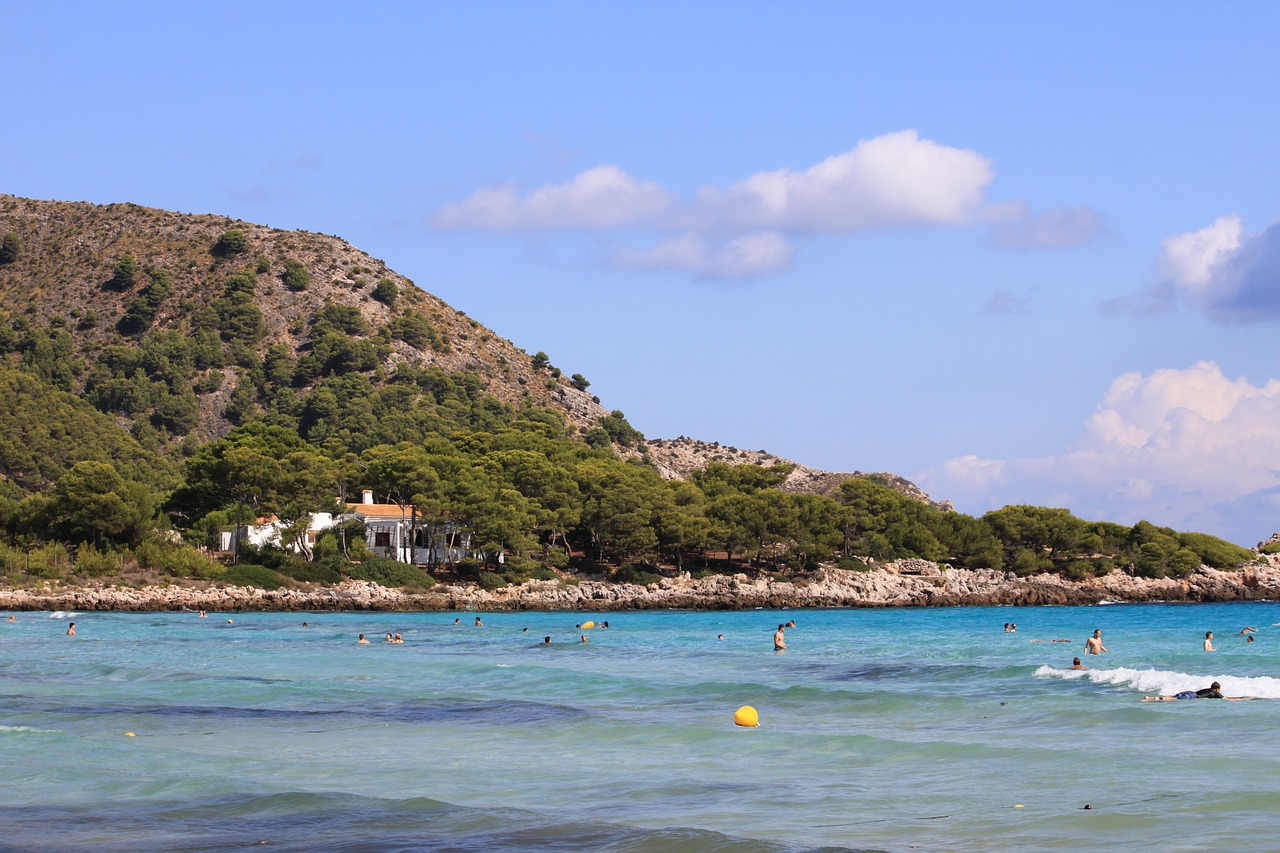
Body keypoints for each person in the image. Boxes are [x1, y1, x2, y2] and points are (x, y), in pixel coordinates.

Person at [1143, 682, 1251, 701]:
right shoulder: (1215, 693)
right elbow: (1227, 699)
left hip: (1190, 692)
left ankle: (1150, 697)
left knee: (1174, 696)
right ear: (1217, 689)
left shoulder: (1208, 690)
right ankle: (1154, 699)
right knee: (1173, 699)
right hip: (1192, 697)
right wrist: (1243, 698)